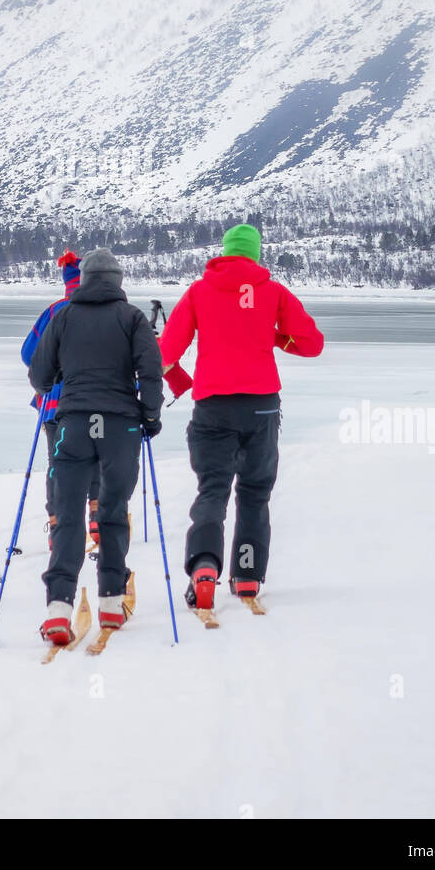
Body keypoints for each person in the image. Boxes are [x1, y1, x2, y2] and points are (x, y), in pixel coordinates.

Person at [156, 223, 323, 611]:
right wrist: (275, 336)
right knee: (254, 491)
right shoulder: (274, 292)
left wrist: (178, 379)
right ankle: (247, 574)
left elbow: (164, 354)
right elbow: (312, 344)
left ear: (225, 251)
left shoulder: (199, 291)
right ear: (255, 254)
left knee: (213, 489)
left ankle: (204, 566)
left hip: (213, 404)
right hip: (262, 405)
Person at [29, 248, 163, 645]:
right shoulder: (133, 318)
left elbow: (39, 374)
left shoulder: (64, 316)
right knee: (112, 512)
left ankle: (58, 609)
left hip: (73, 423)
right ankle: (110, 602)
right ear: (118, 281)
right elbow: (151, 372)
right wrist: (150, 416)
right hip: (121, 426)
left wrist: (58, 378)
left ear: (85, 279)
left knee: (68, 514)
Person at [20, 250, 101, 549]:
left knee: (58, 462)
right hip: (95, 402)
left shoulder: (53, 312)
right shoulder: (105, 311)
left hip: (54, 405)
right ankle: (96, 511)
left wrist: (50, 371)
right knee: (97, 455)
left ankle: (57, 524)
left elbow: (28, 355)